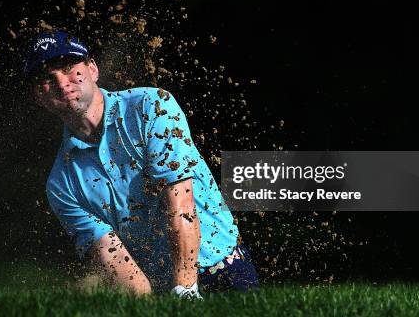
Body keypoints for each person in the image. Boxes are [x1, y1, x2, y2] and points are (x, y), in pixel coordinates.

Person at [24, 30, 259, 297]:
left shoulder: (151, 106)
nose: (61, 82)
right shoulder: (61, 184)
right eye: (46, 78)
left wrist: (185, 289)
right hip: (159, 290)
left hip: (221, 269)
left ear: (93, 69)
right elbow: (119, 263)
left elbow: (180, 204)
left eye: (68, 68)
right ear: (38, 98)